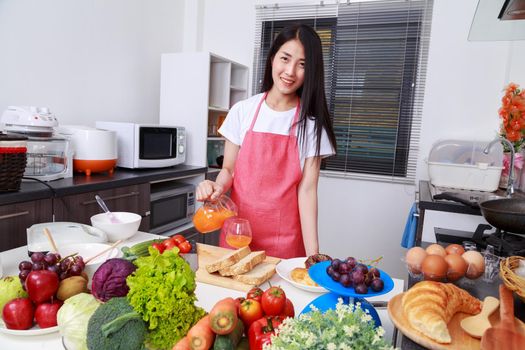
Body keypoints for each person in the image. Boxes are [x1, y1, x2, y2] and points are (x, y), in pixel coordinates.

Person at [196, 24, 337, 259]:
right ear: (272, 58)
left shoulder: (311, 126)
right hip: (237, 236)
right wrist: (217, 188)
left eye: (302, 64)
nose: (290, 71)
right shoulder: (243, 111)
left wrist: (314, 255)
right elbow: (229, 170)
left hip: (286, 242)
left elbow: (308, 190)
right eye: (285, 58)